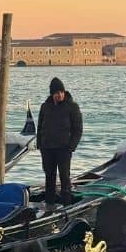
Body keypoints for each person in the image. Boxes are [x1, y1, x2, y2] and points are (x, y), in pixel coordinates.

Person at [36, 77, 83, 206]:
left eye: (61, 92)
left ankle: (66, 204)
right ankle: (49, 202)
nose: (60, 95)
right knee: (49, 176)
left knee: (64, 177)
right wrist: (40, 144)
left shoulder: (72, 107)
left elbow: (78, 129)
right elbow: (40, 127)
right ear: (52, 94)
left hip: (64, 148)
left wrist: (71, 147)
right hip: (47, 148)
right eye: (57, 93)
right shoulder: (45, 107)